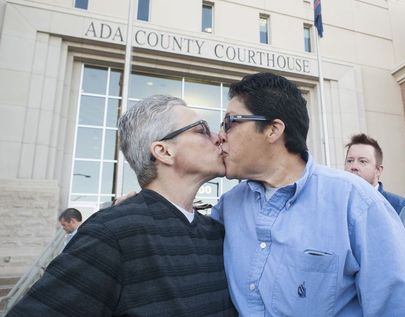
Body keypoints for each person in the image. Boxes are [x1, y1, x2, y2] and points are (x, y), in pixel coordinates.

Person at [211, 72, 405, 316]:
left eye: (230, 122)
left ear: (272, 130)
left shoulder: (356, 202)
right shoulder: (228, 207)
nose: (220, 135)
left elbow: (404, 308)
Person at [6, 95, 236, 317]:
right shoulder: (113, 232)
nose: (218, 138)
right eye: (201, 130)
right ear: (164, 151)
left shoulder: (217, 231)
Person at [344, 133, 405, 283]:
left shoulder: (402, 209)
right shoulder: (335, 208)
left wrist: (370, 270)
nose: (354, 167)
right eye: (349, 161)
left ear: (378, 170)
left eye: (363, 161)